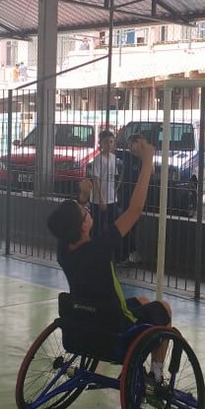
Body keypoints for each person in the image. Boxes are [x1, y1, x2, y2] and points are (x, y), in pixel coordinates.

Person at [47, 135, 171, 379]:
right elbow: (134, 210)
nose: (87, 209)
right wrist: (147, 163)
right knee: (163, 309)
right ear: (84, 226)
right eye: (85, 211)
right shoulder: (100, 248)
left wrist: (82, 196)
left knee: (143, 301)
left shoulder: (63, 251)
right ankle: (156, 374)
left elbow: (69, 223)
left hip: (83, 323)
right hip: (114, 327)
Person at [86, 128, 120, 235]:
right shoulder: (98, 159)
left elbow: (113, 177)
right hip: (99, 199)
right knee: (97, 226)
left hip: (112, 198)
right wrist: (101, 199)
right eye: (106, 142)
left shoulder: (113, 157)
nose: (109, 144)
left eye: (111, 142)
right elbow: (95, 179)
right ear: (100, 143)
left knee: (112, 225)